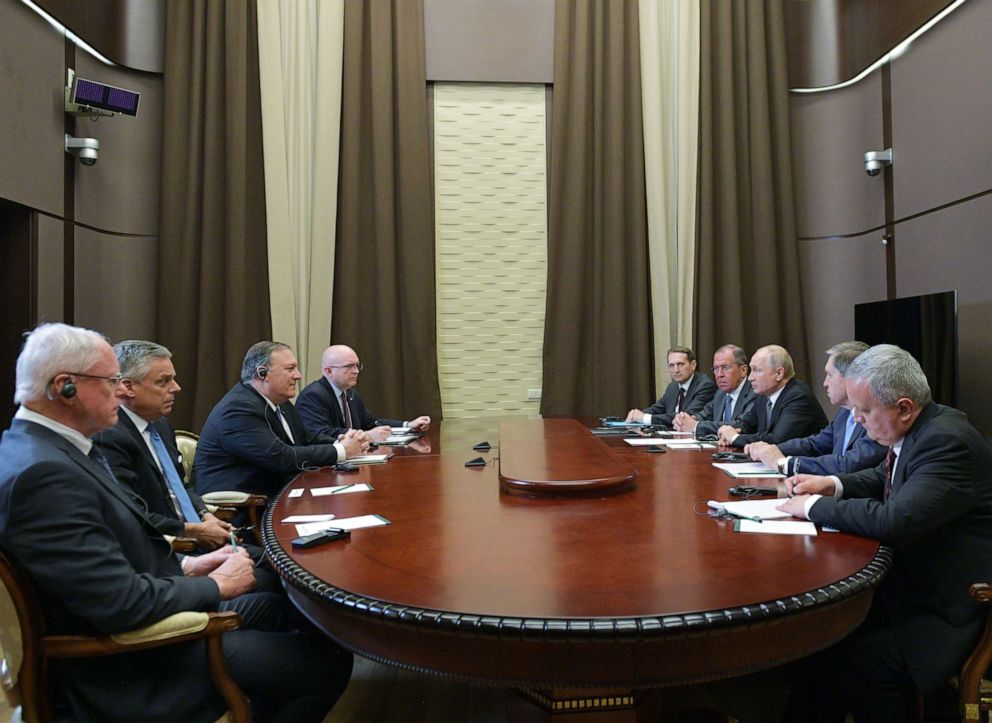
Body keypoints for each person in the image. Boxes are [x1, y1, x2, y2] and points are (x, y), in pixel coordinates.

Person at [0, 323, 352, 723]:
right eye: (112, 380)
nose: (120, 390)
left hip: (147, 620)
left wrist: (191, 565)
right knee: (326, 665)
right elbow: (119, 604)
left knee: (290, 618)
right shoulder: (44, 475)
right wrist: (214, 585)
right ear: (65, 387)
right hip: (132, 665)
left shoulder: (42, 448)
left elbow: (103, 562)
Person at [778, 344, 992, 721]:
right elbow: (884, 476)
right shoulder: (922, 429)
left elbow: (895, 519)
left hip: (945, 604)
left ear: (904, 407)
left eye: (864, 411)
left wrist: (813, 507)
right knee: (817, 635)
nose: (856, 420)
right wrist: (830, 484)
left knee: (851, 652)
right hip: (910, 580)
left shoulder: (947, 441)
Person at [93, 339, 231, 549]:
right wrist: (195, 531)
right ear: (128, 386)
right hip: (165, 548)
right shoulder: (110, 436)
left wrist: (204, 515)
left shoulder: (161, 425)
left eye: (173, 379)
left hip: (198, 537)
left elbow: (180, 484)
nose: (176, 388)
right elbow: (132, 512)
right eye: (163, 381)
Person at [194, 341, 368, 498]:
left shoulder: (281, 403)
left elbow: (306, 438)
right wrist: (341, 451)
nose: (298, 375)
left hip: (280, 492)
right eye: (290, 369)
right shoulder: (238, 410)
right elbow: (281, 457)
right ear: (262, 373)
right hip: (244, 507)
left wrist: (344, 440)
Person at [746, 341, 886, 475]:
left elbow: (849, 463)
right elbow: (815, 443)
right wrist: (772, 449)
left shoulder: (877, 416)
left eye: (830, 375)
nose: (825, 383)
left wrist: (786, 463)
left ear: (850, 377)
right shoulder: (844, 413)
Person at [296, 344, 431, 442]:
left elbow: (371, 424)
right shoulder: (313, 395)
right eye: (349, 366)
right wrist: (367, 436)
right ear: (328, 371)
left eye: (357, 365)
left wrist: (407, 425)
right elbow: (320, 434)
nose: (356, 371)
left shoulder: (351, 394)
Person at [717, 344, 826, 448]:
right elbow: (747, 425)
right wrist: (728, 431)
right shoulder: (764, 396)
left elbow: (778, 440)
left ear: (779, 373)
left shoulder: (798, 397)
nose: (750, 378)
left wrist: (735, 438)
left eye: (757, 370)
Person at [673, 344, 755, 437]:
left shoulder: (754, 393)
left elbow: (741, 425)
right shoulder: (720, 393)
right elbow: (704, 414)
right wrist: (685, 421)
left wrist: (696, 426)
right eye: (716, 368)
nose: (719, 374)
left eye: (725, 367)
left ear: (743, 370)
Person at [625, 346, 717, 428]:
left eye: (680, 364)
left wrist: (645, 418)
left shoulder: (705, 385)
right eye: (671, 365)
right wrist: (638, 414)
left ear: (693, 365)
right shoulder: (673, 386)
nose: (675, 370)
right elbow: (658, 408)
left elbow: (685, 417)